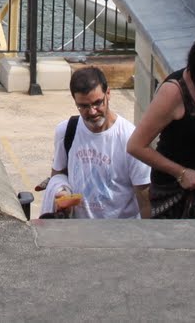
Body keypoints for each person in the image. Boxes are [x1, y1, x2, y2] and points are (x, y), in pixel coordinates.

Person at [127, 34, 195, 218]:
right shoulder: (173, 93)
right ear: (194, 72)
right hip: (176, 190)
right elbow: (135, 146)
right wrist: (181, 173)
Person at [37, 67, 151, 219]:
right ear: (75, 101)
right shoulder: (66, 131)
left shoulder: (130, 138)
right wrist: (62, 191)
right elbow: (58, 174)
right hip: (78, 234)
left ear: (108, 94)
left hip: (119, 235)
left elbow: (145, 201)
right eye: (83, 106)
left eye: (98, 103)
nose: (92, 112)